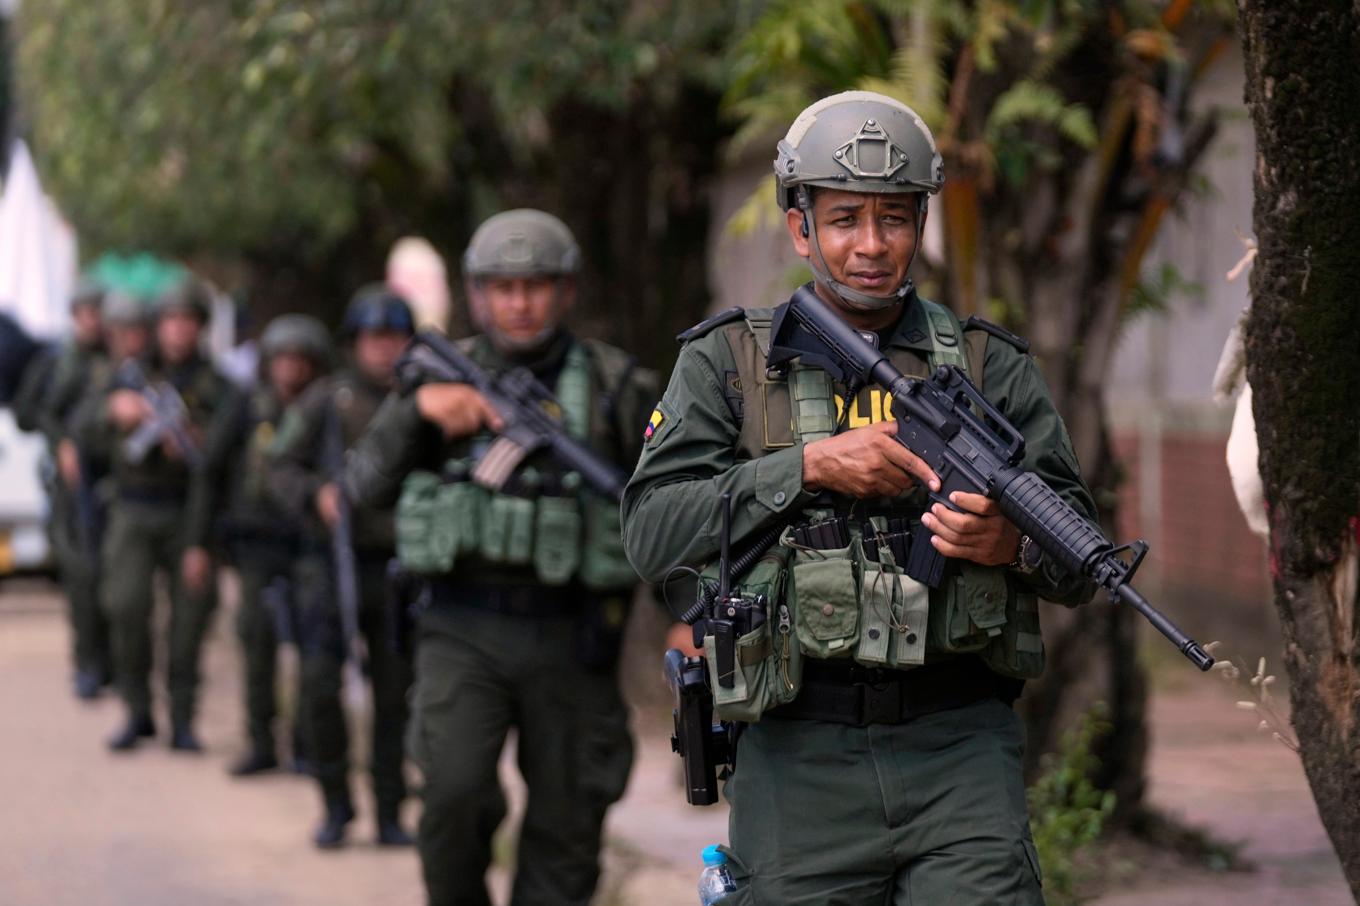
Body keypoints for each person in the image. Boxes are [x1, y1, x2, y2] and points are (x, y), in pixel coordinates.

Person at [621, 91, 1099, 906]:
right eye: (844, 219)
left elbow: (1080, 555)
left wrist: (1011, 545)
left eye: (894, 219)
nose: (871, 245)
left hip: (960, 749)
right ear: (800, 227)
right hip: (797, 756)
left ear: (921, 225)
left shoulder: (988, 365)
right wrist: (806, 469)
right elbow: (651, 532)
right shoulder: (728, 363)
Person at [343, 209, 655, 906]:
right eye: (502, 288)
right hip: (462, 626)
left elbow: (665, 506)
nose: (519, 303)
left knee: (569, 820)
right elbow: (363, 487)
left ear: (566, 291)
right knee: (451, 795)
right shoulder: (434, 376)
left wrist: (684, 614)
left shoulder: (614, 385)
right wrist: (419, 413)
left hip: (574, 630)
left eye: (536, 286)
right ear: (476, 294)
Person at [267, 287, 415, 848]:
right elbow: (278, 464)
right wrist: (316, 494)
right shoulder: (327, 400)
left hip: (400, 568)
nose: (383, 349)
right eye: (373, 338)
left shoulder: (419, 399)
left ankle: (390, 810)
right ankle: (335, 804)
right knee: (320, 687)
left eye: (393, 337)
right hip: (333, 566)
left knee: (394, 696)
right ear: (354, 343)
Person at [78, 278, 242, 752]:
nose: (177, 330)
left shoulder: (219, 387)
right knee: (126, 608)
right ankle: (137, 711)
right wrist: (115, 412)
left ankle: (183, 718)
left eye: (187, 320)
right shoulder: (129, 376)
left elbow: (222, 462)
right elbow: (82, 428)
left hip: (188, 511)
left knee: (189, 622)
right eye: (170, 319)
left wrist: (193, 442)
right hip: (132, 508)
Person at [222, 314, 332, 776]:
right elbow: (215, 468)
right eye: (282, 359)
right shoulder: (249, 406)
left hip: (308, 543)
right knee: (257, 644)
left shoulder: (325, 410)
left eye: (299, 359)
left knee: (313, 648)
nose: (290, 368)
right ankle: (260, 741)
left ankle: (307, 743)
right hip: (256, 544)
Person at [13, 282, 113, 698]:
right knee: (79, 574)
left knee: (113, 576)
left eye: (97, 312)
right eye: (85, 313)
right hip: (69, 487)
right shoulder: (54, 361)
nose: (92, 321)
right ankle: (88, 662)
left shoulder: (118, 360)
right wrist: (62, 441)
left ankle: (115, 662)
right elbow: (26, 415)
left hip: (111, 481)